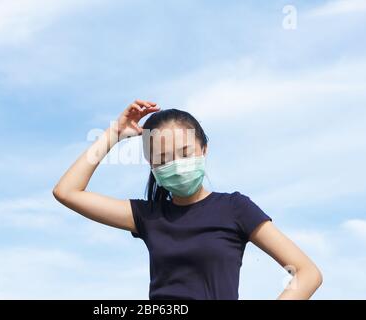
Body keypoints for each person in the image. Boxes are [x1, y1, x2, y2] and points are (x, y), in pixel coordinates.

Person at [53, 99, 323, 300]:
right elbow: (67, 191)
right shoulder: (148, 216)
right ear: (152, 167)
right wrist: (113, 134)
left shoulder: (234, 209)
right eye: (164, 159)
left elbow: (306, 272)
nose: (177, 165)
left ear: (204, 149)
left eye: (185, 153)